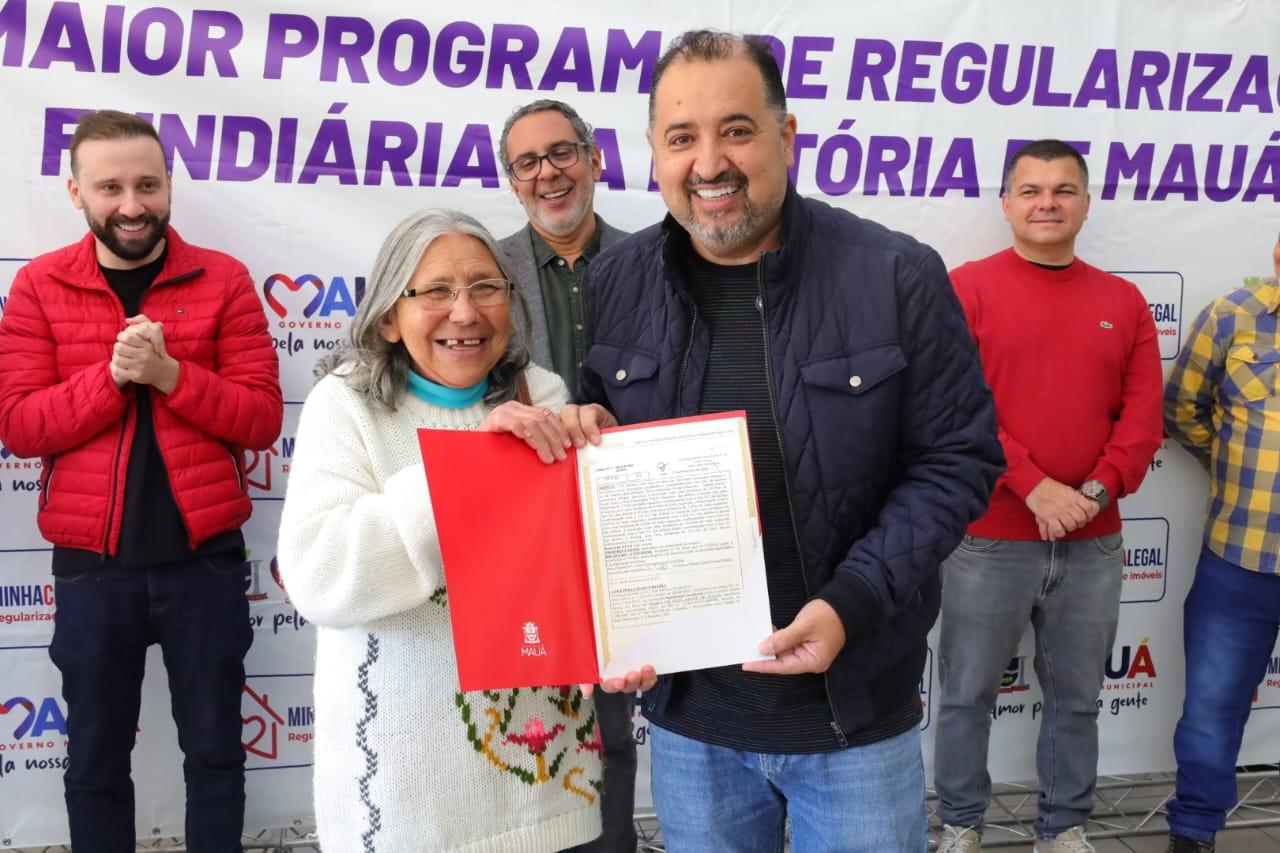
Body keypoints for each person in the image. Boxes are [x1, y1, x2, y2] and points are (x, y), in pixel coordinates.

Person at [575, 30, 1004, 851]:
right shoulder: (617, 282)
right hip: (692, 728)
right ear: (652, 155)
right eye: (681, 137)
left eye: (736, 129)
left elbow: (958, 460)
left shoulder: (895, 274)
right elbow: (597, 461)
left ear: (787, 136)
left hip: (853, 723)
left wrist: (852, 602)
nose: (709, 162)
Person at [277, 209, 647, 851]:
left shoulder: (543, 395)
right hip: (409, 797)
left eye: (485, 287)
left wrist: (628, 632)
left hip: (548, 791)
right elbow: (321, 576)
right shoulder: (347, 404)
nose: (465, 312)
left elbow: (576, 571)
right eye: (436, 292)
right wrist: (471, 470)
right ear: (390, 316)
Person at [0, 109, 283, 852]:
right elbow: (21, 425)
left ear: (168, 185)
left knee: (217, 752)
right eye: (111, 187)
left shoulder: (221, 278)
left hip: (206, 563)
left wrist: (169, 375)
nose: (132, 204)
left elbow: (258, 418)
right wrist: (113, 378)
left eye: (148, 184)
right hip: (93, 572)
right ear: (75, 192)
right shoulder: (38, 285)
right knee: (94, 760)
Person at [935, 140, 1164, 853]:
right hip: (989, 537)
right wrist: (1034, 485)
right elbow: (958, 404)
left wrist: (1090, 494)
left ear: (1085, 204)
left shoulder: (1122, 301)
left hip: (1092, 541)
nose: (1047, 203)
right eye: (1031, 190)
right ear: (1006, 203)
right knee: (967, 692)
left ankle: (1063, 828)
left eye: (1063, 190)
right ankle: (962, 824)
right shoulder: (966, 287)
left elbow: (1143, 416)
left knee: (1078, 700)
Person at [496, 98, 637, 852]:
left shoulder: (657, 258)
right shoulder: (486, 272)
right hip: (527, 527)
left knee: (612, 727)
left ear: (593, 158)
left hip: (630, 520)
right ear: (512, 180)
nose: (548, 172)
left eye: (562, 152)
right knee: (521, 724)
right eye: (528, 162)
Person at [1161, 230, 1280, 853]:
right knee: (1211, 711)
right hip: (1242, 558)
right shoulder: (1231, 317)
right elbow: (1182, 410)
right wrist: (1234, 468)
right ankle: (1195, 834)